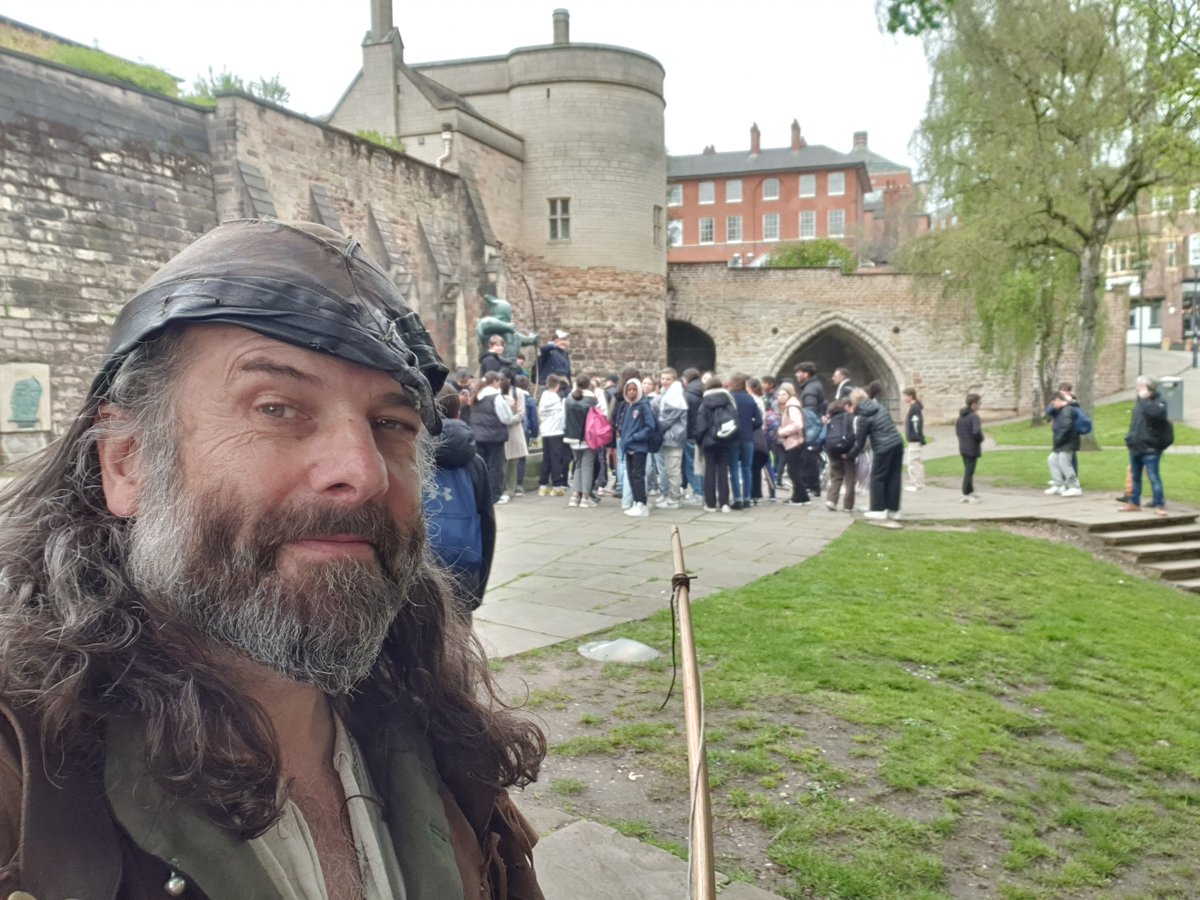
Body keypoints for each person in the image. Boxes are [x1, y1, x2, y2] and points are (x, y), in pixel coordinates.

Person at [0, 220, 545, 899]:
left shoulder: (440, 736)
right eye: (279, 406)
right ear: (128, 463)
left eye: (393, 424)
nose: (364, 470)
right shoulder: (20, 791)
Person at [425, 387, 496, 611]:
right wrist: (479, 587)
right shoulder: (474, 463)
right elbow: (487, 524)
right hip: (463, 568)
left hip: (417, 570)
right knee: (457, 639)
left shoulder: (408, 454)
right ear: (458, 413)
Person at [849, 387, 905, 525]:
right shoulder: (880, 407)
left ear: (855, 402)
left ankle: (878, 509)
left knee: (877, 477)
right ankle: (893, 509)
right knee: (893, 477)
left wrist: (849, 455)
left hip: (883, 447)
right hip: (897, 443)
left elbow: (860, 442)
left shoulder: (863, 417)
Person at [1121, 375, 1173, 516]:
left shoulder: (1159, 402)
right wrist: (1129, 439)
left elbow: (1156, 415)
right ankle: (1134, 502)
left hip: (1151, 447)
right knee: (1135, 476)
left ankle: (1159, 504)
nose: (1137, 389)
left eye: (1140, 386)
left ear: (1147, 388)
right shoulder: (1140, 403)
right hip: (1136, 446)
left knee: (1153, 477)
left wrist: (1144, 400)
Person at [694, 375, 737, 512]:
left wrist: (700, 440)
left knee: (710, 471)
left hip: (709, 441)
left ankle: (710, 504)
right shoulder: (729, 401)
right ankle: (724, 503)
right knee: (723, 470)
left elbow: (700, 426)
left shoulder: (704, 403)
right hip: (725, 439)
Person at [471, 370, 515, 504]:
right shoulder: (496, 397)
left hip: (478, 436)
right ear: (495, 382)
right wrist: (511, 408)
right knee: (495, 467)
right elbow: (506, 418)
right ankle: (494, 495)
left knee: (480, 467)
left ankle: (479, 495)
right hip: (494, 437)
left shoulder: (477, 396)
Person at [563, 373, 605, 508]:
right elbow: (601, 417)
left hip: (572, 437)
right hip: (588, 437)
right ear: (588, 385)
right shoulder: (593, 401)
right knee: (587, 466)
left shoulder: (568, 399)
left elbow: (565, 419)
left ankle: (575, 495)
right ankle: (585, 497)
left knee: (578, 465)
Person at [620, 377, 657, 518]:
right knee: (631, 476)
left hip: (638, 447)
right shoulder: (629, 406)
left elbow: (650, 426)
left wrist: (635, 437)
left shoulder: (643, 406)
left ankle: (641, 503)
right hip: (629, 446)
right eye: (629, 389)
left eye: (634, 389)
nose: (631, 392)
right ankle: (636, 502)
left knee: (638, 476)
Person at [728, 373, 763, 510]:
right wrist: (749, 427)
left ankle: (737, 499)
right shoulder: (750, 398)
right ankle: (747, 498)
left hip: (733, 437)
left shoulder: (730, 398)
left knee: (734, 468)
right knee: (747, 468)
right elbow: (759, 420)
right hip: (748, 438)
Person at [656, 368, 688, 509]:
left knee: (673, 470)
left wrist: (655, 429)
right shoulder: (669, 394)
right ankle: (671, 497)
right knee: (670, 470)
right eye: (662, 379)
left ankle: (674, 499)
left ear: (674, 379)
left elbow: (667, 420)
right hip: (671, 437)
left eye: (668, 379)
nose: (664, 382)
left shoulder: (674, 396)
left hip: (674, 437)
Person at [776, 382, 812, 506]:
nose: (780, 396)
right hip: (793, 441)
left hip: (795, 442)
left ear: (789, 394)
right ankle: (800, 496)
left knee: (793, 470)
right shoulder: (790, 406)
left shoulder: (791, 407)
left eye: (783, 394)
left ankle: (800, 497)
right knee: (793, 470)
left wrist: (782, 432)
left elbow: (797, 424)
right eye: (779, 394)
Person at [1045, 391, 1083, 497]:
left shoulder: (1068, 410)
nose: (1053, 406)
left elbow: (1066, 428)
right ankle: (1058, 484)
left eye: (1054, 403)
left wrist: (1059, 439)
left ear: (1058, 401)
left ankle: (1075, 486)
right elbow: (1050, 411)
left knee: (1065, 464)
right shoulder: (1062, 410)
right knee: (1052, 460)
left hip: (1067, 442)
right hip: (1062, 442)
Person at [537, 373, 569, 496]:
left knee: (547, 458)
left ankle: (543, 485)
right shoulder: (556, 399)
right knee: (556, 459)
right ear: (557, 386)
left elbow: (540, 414)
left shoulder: (543, 398)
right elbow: (562, 417)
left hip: (545, 431)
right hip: (556, 431)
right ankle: (556, 485)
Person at [822, 398, 857, 512]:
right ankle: (848, 505)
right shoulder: (850, 417)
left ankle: (831, 500)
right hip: (846, 450)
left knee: (836, 476)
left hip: (832, 450)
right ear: (846, 406)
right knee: (850, 478)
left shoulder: (831, 419)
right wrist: (849, 452)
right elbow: (852, 436)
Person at [957, 392, 984, 503]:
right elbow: (976, 432)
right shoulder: (974, 417)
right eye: (979, 403)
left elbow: (958, 432)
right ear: (973, 404)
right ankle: (966, 493)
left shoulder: (961, 417)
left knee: (968, 469)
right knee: (969, 471)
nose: (980, 405)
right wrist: (980, 439)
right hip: (972, 447)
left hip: (963, 446)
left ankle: (970, 490)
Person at [903, 387, 926, 492]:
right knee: (914, 461)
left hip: (914, 440)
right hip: (913, 439)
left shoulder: (914, 408)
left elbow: (916, 424)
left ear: (910, 396)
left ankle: (917, 484)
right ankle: (917, 483)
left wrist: (919, 438)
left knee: (914, 462)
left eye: (905, 396)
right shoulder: (914, 407)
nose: (903, 398)